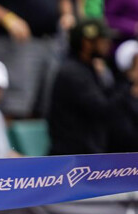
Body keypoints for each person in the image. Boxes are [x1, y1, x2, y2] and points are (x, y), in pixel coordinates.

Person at [48, 18, 116, 156]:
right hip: (74, 158)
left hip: (89, 154)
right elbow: (103, 109)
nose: (108, 44)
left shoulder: (89, 69)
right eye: (103, 40)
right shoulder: (73, 73)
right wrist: (130, 85)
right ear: (87, 43)